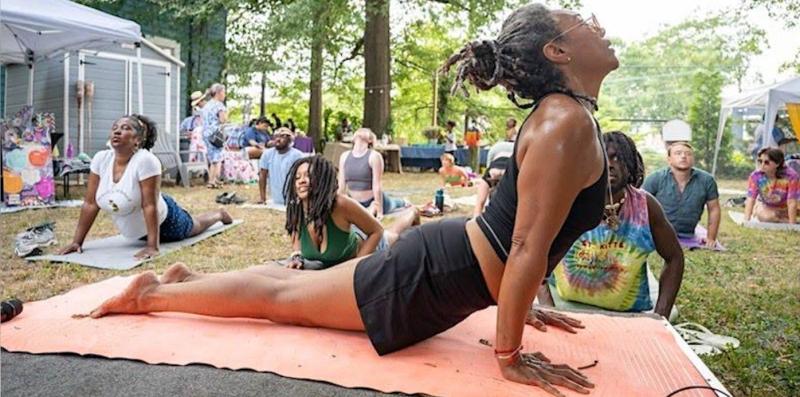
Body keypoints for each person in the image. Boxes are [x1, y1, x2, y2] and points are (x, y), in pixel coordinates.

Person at [88, 5, 617, 394]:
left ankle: (186, 280)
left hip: (444, 266)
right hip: (433, 277)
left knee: (295, 287)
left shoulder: (565, 116)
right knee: (281, 303)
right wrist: (510, 355)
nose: (596, 22)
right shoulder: (563, 121)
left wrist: (521, 306)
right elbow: (524, 246)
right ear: (558, 51)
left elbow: (526, 245)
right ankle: (150, 297)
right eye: (582, 19)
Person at [539, 131, 684, 320]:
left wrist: (660, 317)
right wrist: (549, 309)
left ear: (631, 165)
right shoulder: (568, 201)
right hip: (564, 301)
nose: (609, 164)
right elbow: (536, 253)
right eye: (603, 157)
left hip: (626, 312)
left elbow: (674, 258)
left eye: (618, 158)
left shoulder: (645, 206)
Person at [60, 115, 232, 260]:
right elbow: (90, 204)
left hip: (167, 221)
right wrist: (77, 242)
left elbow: (150, 205)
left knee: (195, 226)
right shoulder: (100, 159)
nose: (117, 131)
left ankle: (219, 214)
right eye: (115, 128)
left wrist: (152, 247)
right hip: (138, 232)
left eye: (126, 128)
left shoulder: (146, 160)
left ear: (137, 140)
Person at [284, 156, 419, 269]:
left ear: (322, 179)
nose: (301, 181)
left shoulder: (340, 204)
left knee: (395, 236)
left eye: (309, 175)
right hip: (347, 232)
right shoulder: (296, 209)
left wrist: (355, 268)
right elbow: (296, 235)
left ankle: (413, 212)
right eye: (297, 177)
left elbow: (377, 230)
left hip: (369, 244)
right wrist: (297, 256)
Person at [642, 142, 721, 249]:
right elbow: (639, 205)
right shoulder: (655, 178)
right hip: (656, 233)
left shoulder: (707, 180)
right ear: (669, 159)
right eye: (678, 153)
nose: (683, 156)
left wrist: (711, 238)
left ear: (693, 159)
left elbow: (714, 209)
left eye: (688, 154)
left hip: (688, 234)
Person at [338, 128, 408, 219]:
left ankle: (403, 202)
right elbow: (341, 185)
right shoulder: (344, 156)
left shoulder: (374, 156)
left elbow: (377, 185)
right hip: (353, 201)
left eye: (365, 131)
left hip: (373, 200)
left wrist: (379, 210)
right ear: (353, 138)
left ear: (370, 139)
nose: (361, 131)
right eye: (359, 131)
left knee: (394, 203)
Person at [473, 120, 517, 217]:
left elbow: (479, 205)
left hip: (505, 155)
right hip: (503, 155)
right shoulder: (490, 177)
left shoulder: (491, 177)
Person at [744, 147, 799, 224]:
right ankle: (779, 218)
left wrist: (792, 225)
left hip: (785, 208)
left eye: (766, 162)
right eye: (760, 161)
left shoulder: (791, 176)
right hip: (766, 206)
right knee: (767, 217)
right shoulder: (756, 176)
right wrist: (746, 220)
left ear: (777, 163)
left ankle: (781, 218)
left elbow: (792, 202)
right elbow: (750, 199)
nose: (762, 165)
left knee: (786, 212)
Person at [258, 127, 304, 205]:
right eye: (276, 136)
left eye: (283, 137)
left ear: (290, 140)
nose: (278, 139)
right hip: (275, 199)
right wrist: (263, 198)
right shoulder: (267, 154)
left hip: (293, 200)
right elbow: (262, 175)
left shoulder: (298, 155)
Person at [202, 83, 228, 189]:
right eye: (224, 92)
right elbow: (223, 120)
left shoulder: (207, 105)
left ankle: (211, 181)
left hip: (206, 133)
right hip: (216, 134)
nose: (224, 95)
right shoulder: (219, 105)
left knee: (212, 159)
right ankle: (215, 180)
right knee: (217, 158)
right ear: (218, 93)